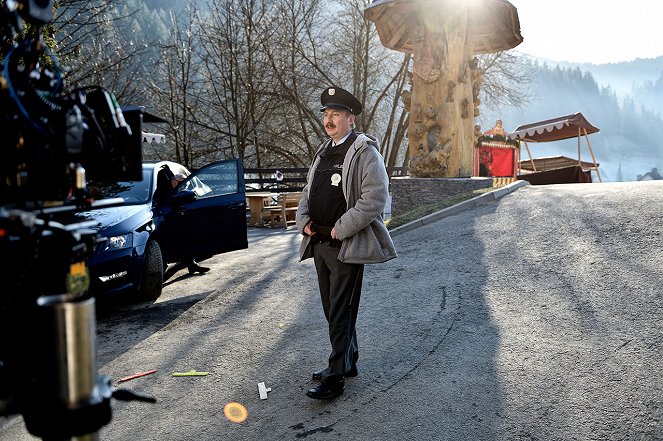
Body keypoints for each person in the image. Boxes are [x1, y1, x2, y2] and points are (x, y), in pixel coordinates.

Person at [296, 86, 397, 400]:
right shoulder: (324, 151)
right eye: (326, 113)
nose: (329, 119)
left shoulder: (364, 151)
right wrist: (304, 221)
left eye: (335, 114)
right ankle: (348, 360)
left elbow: (374, 198)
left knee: (340, 310)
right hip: (320, 244)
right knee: (332, 309)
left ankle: (335, 374)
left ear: (350, 119)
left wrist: (341, 228)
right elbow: (307, 192)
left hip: (345, 245)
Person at [154, 165, 210, 275]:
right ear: (173, 180)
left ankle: (191, 264)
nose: (180, 185)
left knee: (187, 236)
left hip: (177, 217)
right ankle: (161, 271)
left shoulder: (180, 190)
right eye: (179, 182)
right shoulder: (162, 189)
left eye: (183, 183)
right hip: (163, 219)